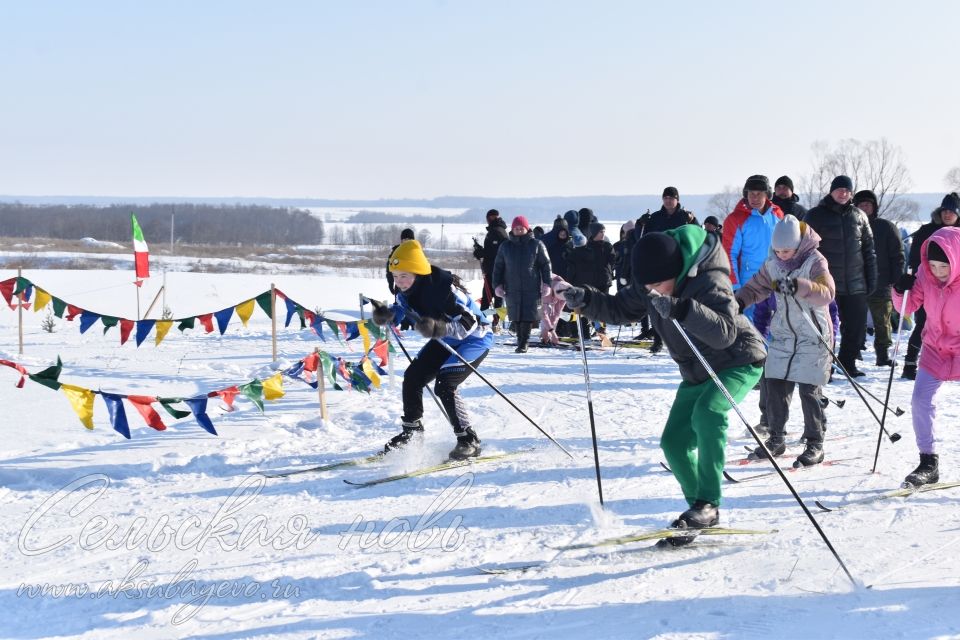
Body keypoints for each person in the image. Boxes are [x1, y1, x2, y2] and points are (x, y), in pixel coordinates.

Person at [555, 225, 765, 533]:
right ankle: (699, 508)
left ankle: (708, 502)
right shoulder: (652, 283)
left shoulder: (710, 280)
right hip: (697, 369)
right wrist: (585, 299)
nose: (654, 290)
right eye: (648, 285)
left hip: (738, 360)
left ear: (677, 270)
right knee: (674, 443)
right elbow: (620, 309)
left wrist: (682, 308)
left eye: (660, 283)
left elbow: (724, 334)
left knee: (709, 412)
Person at [372, 240, 493, 460]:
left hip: (475, 339)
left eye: (404, 276)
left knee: (445, 384)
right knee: (413, 377)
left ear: (418, 273)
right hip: (445, 338)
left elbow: (470, 323)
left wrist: (439, 328)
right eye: (395, 276)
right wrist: (389, 316)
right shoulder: (404, 292)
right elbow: (402, 309)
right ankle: (412, 431)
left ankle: (468, 439)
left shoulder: (446, 292)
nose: (399, 282)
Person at [735, 215, 836, 467]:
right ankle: (776, 438)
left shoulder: (815, 261)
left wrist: (799, 285)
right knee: (774, 384)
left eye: (786, 250)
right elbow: (755, 287)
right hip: (784, 335)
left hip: (813, 334)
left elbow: (826, 293)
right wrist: (739, 301)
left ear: (799, 245)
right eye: (777, 250)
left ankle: (815, 443)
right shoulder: (773, 264)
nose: (781, 255)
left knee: (808, 390)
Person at [890, 226, 960, 487]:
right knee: (920, 400)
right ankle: (928, 462)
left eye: (944, 266)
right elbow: (906, 308)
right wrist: (900, 289)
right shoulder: (925, 274)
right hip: (934, 349)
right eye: (933, 265)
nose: (939, 272)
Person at [803, 175, 877, 377]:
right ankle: (825, 366)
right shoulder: (815, 215)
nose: (843, 193)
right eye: (839, 190)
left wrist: (872, 279)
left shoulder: (859, 216)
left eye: (847, 190)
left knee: (855, 327)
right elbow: (803, 248)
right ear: (831, 191)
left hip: (856, 284)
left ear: (851, 193)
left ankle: (848, 363)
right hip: (825, 284)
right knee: (826, 329)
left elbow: (869, 250)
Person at [902, 193, 960, 379]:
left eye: (952, 211)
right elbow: (914, 257)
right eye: (945, 211)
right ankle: (910, 363)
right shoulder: (927, 230)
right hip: (929, 288)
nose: (947, 214)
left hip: (954, 292)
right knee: (923, 325)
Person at [854, 190, 905, 366]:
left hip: (881, 282)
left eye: (868, 204)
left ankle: (882, 355)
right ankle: (853, 352)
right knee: (853, 321)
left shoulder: (886, 227)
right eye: (860, 205)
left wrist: (896, 279)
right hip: (855, 283)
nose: (864, 207)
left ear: (874, 207)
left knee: (882, 322)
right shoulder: (850, 226)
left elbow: (898, 255)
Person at [492, 216, 552, 352]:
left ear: (527, 229)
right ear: (512, 229)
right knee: (515, 315)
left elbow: (546, 265)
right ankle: (520, 340)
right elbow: (498, 267)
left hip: (531, 287)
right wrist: (497, 285)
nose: (519, 230)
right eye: (516, 228)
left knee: (527, 316)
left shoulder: (536, 245)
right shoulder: (505, 246)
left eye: (521, 228)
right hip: (511, 287)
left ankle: (523, 343)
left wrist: (547, 283)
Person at [567, 221, 615, 339]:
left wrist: (609, 271)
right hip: (591, 283)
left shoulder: (608, 246)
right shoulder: (586, 247)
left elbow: (613, 261)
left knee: (603, 308)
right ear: (593, 233)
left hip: (604, 281)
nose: (602, 234)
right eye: (600, 232)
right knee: (588, 307)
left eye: (603, 232)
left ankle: (601, 332)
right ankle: (585, 332)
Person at [474, 209, 509, 332]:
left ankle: (491, 322)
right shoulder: (495, 231)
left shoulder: (498, 232)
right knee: (491, 299)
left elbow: (496, 252)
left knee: (491, 299)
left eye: (491, 217)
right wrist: (481, 250)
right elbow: (491, 250)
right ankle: (491, 322)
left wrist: (482, 252)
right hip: (492, 270)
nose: (489, 220)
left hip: (496, 271)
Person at [387, 228, 416, 295]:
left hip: (415, 286)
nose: (407, 241)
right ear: (402, 240)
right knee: (399, 304)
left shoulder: (416, 252)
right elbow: (389, 270)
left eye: (410, 239)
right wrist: (390, 285)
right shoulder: (395, 252)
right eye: (405, 239)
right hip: (400, 286)